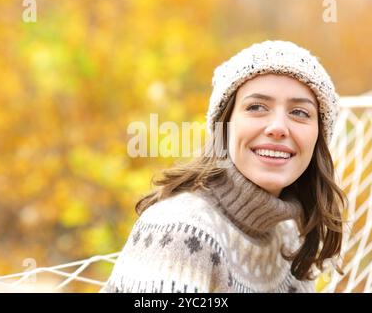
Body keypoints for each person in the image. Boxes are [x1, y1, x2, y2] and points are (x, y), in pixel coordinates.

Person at [100, 40, 348, 293]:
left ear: (318, 137)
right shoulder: (183, 231)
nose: (278, 127)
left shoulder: (289, 235)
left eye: (299, 112)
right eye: (257, 107)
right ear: (224, 125)